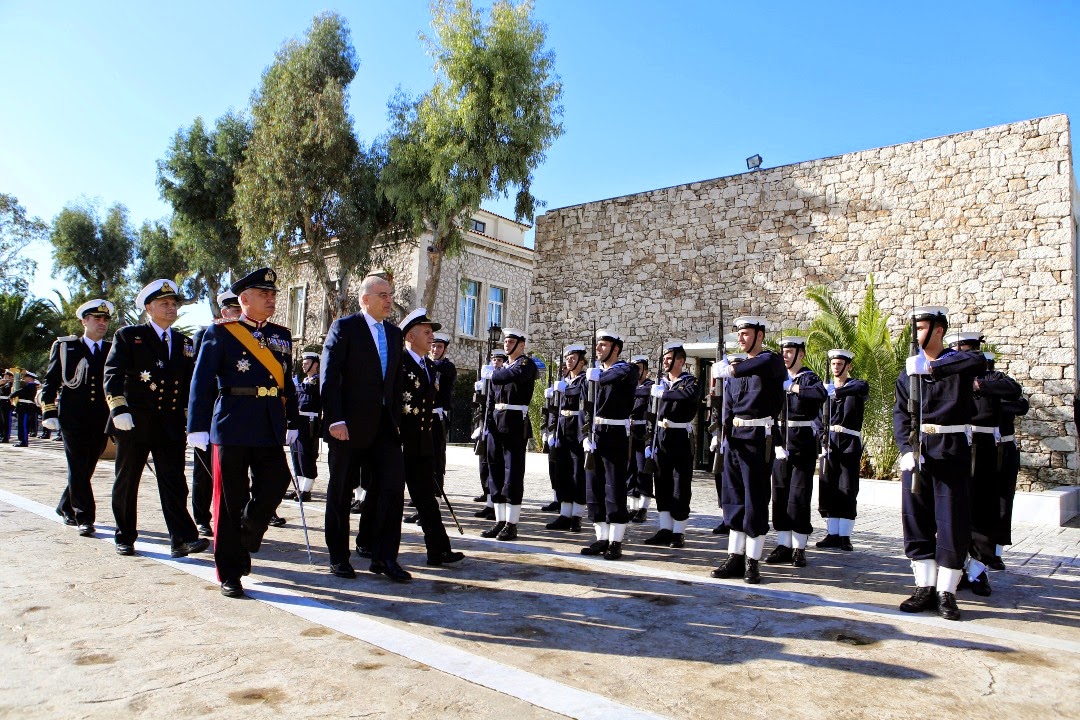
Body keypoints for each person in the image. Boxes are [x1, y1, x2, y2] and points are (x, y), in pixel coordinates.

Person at [187, 268, 299, 597]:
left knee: (277, 481)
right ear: (244, 299)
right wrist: (196, 426)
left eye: (273, 294)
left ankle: (248, 532)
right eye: (263, 294)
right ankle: (230, 572)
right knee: (229, 500)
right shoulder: (221, 333)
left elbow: (286, 383)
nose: (271, 299)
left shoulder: (281, 335)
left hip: (268, 424)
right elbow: (202, 380)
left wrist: (291, 420)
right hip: (231, 423)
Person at [894, 306, 986, 621]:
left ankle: (947, 592)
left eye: (921, 328)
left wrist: (932, 369)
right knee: (916, 519)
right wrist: (906, 448)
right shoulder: (908, 371)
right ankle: (924, 587)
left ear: (938, 330)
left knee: (952, 521)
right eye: (914, 329)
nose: (916, 335)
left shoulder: (958, 362)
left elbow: (976, 360)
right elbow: (900, 415)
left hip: (950, 449)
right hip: (919, 449)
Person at [106, 279, 208, 559]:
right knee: (127, 480)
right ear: (149, 308)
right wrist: (118, 408)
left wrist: (193, 420)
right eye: (164, 303)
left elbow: (189, 384)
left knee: (174, 481)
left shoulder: (185, 343)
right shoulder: (130, 336)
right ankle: (125, 535)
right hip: (135, 421)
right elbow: (113, 374)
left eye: (174, 303)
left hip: (170, 423)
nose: (170, 307)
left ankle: (182, 538)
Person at [321, 274, 409, 582]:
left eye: (390, 295)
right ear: (365, 299)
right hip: (348, 426)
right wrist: (335, 419)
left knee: (392, 488)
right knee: (341, 490)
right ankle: (338, 556)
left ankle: (385, 557)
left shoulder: (396, 335)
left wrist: (396, 420)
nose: (388, 300)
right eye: (382, 295)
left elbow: (396, 382)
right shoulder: (345, 328)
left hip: (384, 427)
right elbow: (329, 377)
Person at [709, 317, 786, 584]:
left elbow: (762, 364)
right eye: (739, 334)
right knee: (733, 499)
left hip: (758, 438)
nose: (740, 338)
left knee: (755, 499)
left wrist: (731, 369)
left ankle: (753, 561)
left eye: (746, 334)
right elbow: (727, 404)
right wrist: (720, 433)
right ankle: (735, 557)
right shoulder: (737, 367)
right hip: (735, 439)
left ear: (760, 335)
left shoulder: (771, 362)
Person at [948, 333, 1022, 597]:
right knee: (956, 510)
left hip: (987, 448)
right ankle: (954, 569)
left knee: (985, 509)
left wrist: (979, 384)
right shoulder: (953, 378)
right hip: (959, 446)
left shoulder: (992, 378)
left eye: (964, 351)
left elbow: (1015, 392)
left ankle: (978, 571)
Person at [40, 299, 114, 537]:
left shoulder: (113, 349)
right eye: (96, 319)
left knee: (86, 466)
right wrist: (49, 411)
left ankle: (64, 505)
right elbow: (51, 382)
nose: (102, 323)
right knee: (78, 465)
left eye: (105, 319)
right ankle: (84, 516)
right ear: (84, 321)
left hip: (101, 418)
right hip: (73, 417)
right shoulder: (66, 347)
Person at [397, 309, 464, 566]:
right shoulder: (400, 362)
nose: (432, 337)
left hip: (422, 444)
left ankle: (438, 550)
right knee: (388, 498)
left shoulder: (428, 365)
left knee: (426, 499)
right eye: (427, 332)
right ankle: (370, 544)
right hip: (401, 442)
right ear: (410, 336)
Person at [766, 336, 826, 568]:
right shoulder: (777, 378)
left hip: (802, 445)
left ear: (801, 354)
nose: (786, 355)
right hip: (781, 443)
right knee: (780, 495)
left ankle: (799, 547)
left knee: (799, 496)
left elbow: (819, 394)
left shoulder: (809, 377)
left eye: (790, 351)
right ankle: (783, 544)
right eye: (784, 351)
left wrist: (792, 387)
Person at [579, 329, 638, 560]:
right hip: (595, 434)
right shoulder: (591, 375)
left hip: (615, 434)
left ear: (615, 349)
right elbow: (586, 406)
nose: (598, 349)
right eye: (598, 345)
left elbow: (617, 375)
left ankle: (616, 541)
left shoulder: (627, 369)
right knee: (594, 488)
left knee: (614, 487)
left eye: (603, 345)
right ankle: (601, 537)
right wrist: (585, 436)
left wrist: (597, 377)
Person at [189, 289, 243, 537]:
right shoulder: (206, 334)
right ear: (225, 312)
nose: (240, 314)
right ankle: (202, 517)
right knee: (205, 470)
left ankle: (239, 516)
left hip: (237, 416)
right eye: (236, 309)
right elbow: (200, 379)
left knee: (239, 472)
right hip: (212, 413)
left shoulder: (250, 336)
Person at [479, 328, 538, 541]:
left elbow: (511, 375)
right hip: (496, 421)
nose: (506, 344)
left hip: (514, 423)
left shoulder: (525, 365)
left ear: (521, 345)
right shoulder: (503, 368)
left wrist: (492, 374)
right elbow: (491, 401)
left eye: (511, 341)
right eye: (505, 341)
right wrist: (486, 424)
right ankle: (500, 520)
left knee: (512, 472)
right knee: (495, 471)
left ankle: (512, 524)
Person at [642, 342, 699, 549]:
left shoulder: (689, 381)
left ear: (681, 361)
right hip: (660, 437)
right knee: (662, 483)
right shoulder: (660, 384)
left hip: (680, 437)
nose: (666, 362)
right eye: (664, 359)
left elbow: (688, 396)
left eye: (669, 358)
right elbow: (649, 414)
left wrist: (663, 394)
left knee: (680, 486)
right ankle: (665, 529)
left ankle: (678, 532)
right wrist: (649, 441)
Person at [816, 349, 869, 552]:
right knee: (829, 488)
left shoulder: (856, 387)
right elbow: (819, 417)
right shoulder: (826, 390)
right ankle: (832, 534)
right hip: (829, 442)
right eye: (834, 364)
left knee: (847, 488)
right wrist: (821, 439)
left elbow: (862, 386)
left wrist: (837, 392)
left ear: (848, 366)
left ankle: (845, 536)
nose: (836, 367)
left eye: (840, 364)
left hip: (849, 443)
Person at [544, 344, 588, 532]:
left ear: (581, 362)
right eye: (567, 358)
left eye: (573, 358)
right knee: (562, 473)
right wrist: (551, 430)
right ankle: (564, 514)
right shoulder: (562, 382)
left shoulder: (586, 381)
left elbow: (587, 405)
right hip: (562, 429)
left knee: (578, 474)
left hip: (577, 430)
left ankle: (576, 516)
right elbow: (554, 409)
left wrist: (586, 434)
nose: (569, 361)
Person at [994, 355, 1029, 571]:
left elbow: (1021, 404)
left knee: (1004, 503)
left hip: (1005, 448)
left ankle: (997, 552)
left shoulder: (1003, 384)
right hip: (978, 448)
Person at [471, 349, 506, 521]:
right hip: (485, 424)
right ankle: (488, 498)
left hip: (496, 425)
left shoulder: (502, 377)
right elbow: (481, 406)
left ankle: (496, 503)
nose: (496, 363)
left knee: (496, 467)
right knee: (484, 464)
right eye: (494, 360)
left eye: (499, 360)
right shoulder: (488, 377)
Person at [286, 351, 322, 502]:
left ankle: (306, 490)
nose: (303, 365)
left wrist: (296, 386)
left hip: (310, 422)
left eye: (307, 363)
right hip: (299, 421)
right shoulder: (304, 381)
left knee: (306, 455)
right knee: (296, 454)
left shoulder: (317, 381)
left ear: (315, 365)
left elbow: (308, 391)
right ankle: (300, 488)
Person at [626, 355, 654, 523]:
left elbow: (645, 392)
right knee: (631, 469)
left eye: (639, 368)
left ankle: (643, 507)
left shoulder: (650, 386)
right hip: (630, 431)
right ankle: (633, 506)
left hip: (644, 431)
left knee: (643, 469)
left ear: (646, 371)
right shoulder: (630, 385)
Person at [429, 331, 456, 496]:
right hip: (422, 416)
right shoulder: (425, 364)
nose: (435, 349)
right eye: (433, 346)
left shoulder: (447, 366)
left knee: (436, 458)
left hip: (437, 417)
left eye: (439, 346)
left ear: (445, 350)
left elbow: (437, 367)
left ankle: (436, 496)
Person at [12, 370, 40, 447]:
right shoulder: (28, 386)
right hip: (22, 407)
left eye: (25, 377)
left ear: (29, 378)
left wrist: (12, 395)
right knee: (21, 425)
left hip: (25, 407)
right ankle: (21, 440)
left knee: (23, 425)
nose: (24, 379)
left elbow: (20, 392)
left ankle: (23, 441)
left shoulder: (31, 386)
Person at [0, 370, 13, 443]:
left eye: (6, 376)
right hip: (2, 403)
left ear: (11, 377)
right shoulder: (4, 384)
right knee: (1, 421)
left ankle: (6, 437)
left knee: (6, 421)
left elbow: (6, 392)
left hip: (6, 404)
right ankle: (2, 435)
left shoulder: (11, 385)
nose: (4, 377)